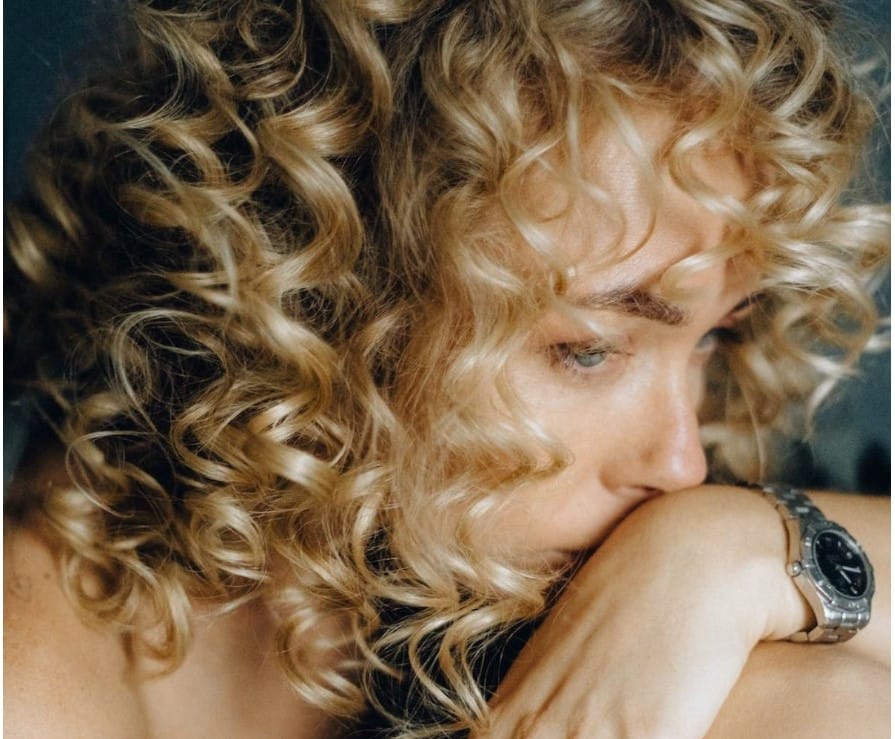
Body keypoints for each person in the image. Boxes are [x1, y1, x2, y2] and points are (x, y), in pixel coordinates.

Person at [4, 0, 889, 737]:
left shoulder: (549, 577)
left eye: (708, 339)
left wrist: (724, 553)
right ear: (310, 293)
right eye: (587, 348)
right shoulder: (29, 680)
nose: (681, 462)